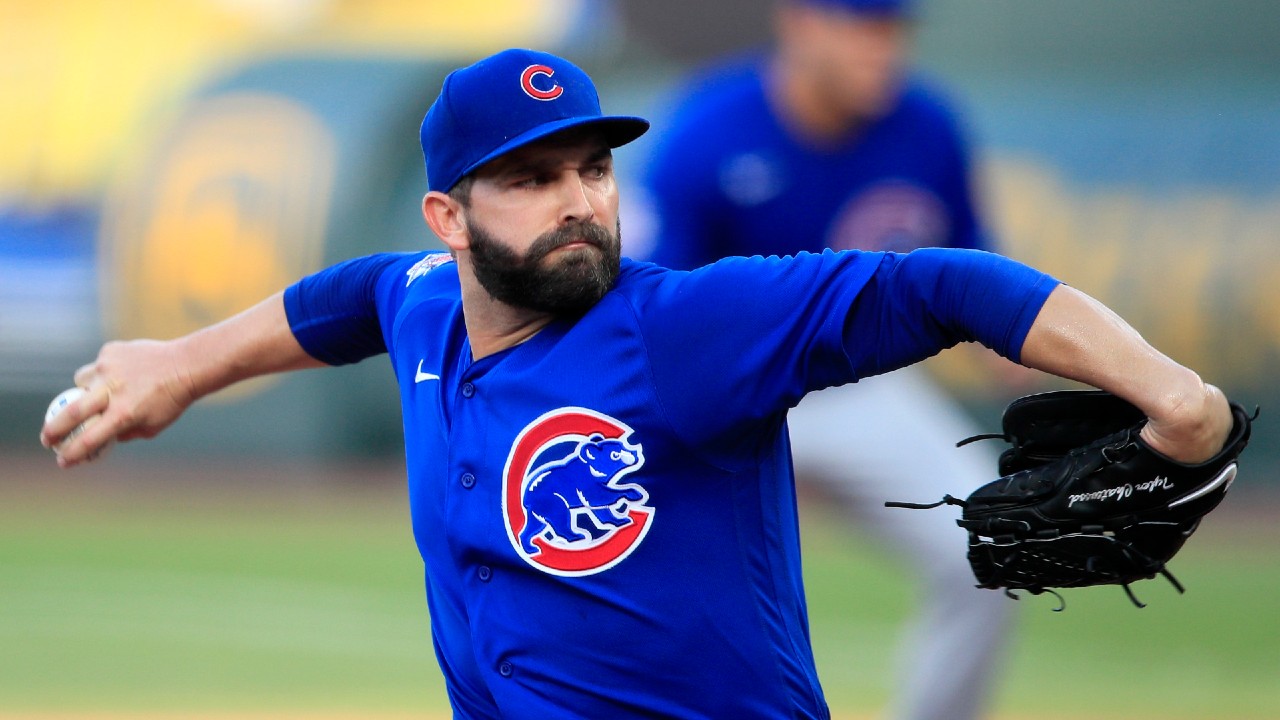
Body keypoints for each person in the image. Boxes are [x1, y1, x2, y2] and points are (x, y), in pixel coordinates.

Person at [42, 48, 1234, 720]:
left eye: (592, 167)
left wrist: (1173, 399)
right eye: (529, 177)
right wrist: (180, 366)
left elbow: (938, 283)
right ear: (448, 219)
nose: (576, 199)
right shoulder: (420, 308)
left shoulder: (679, 329)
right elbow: (345, 297)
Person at [636, 1, 1018, 716]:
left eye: (893, 32)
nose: (884, 51)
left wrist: (1015, 343)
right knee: (644, 579)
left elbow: (975, 262)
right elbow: (659, 302)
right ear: (802, 25)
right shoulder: (711, 123)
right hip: (732, 389)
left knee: (990, 549)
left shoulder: (927, 126)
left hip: (859, 390)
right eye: (863, 29)